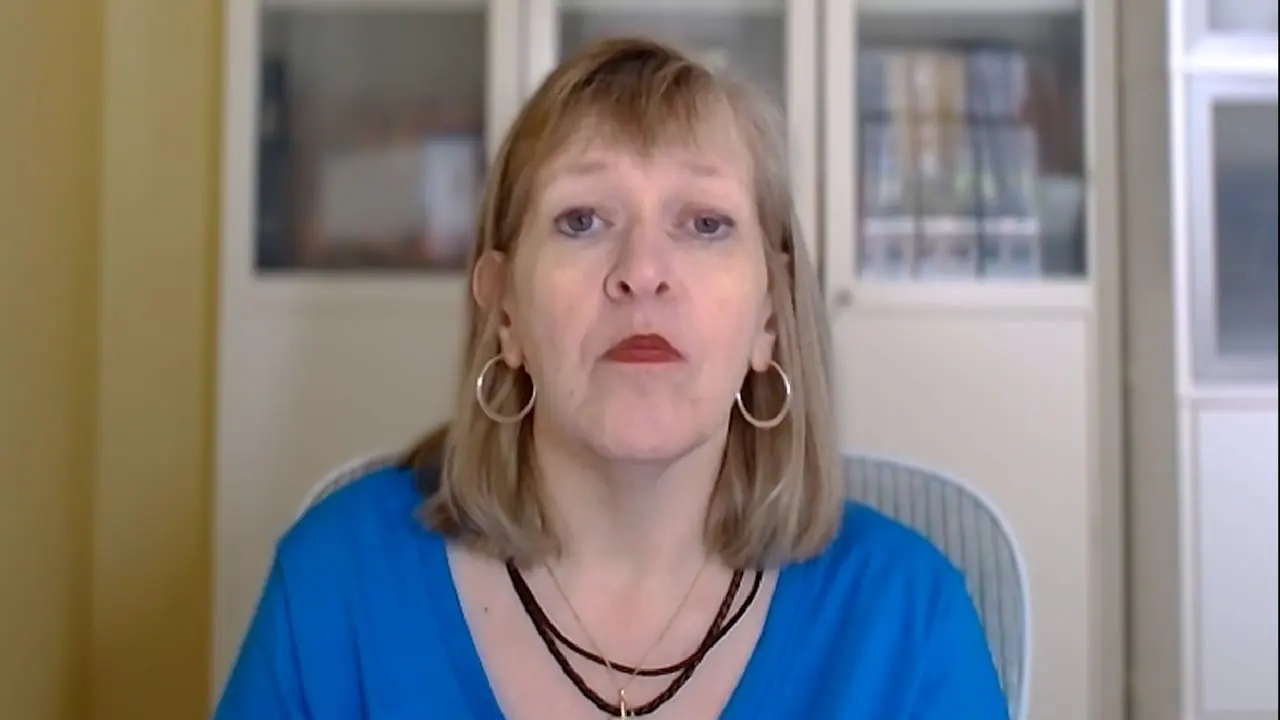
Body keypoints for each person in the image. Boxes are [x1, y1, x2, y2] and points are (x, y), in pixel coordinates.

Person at [214, 37, 1008, 719]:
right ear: (506, 312)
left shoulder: (908, 621)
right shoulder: (336, 584)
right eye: (582, 220)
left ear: (772, 316)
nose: (643, 272)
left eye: (704, 223)